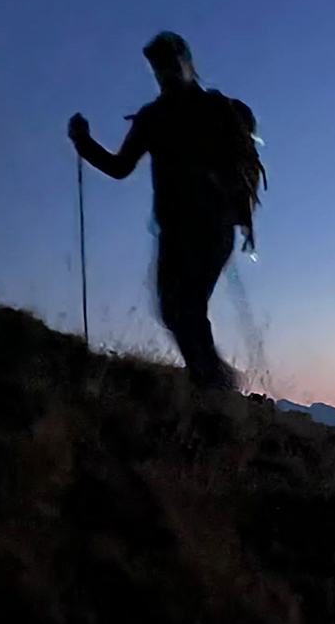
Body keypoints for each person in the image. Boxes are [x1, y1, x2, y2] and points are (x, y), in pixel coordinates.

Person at [68, 32, 263, 391]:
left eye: (170, 64)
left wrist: (82, 141)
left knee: (182, 309)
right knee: (177, 311)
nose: (165, 73)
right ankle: (216, 384)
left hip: (205, 229)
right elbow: (120, 167)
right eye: (160, 67)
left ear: (188, 64)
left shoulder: (179, 114)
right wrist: (83, 143)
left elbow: (119, 167)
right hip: (187, 230)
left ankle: (214, 388)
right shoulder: (161, 117)